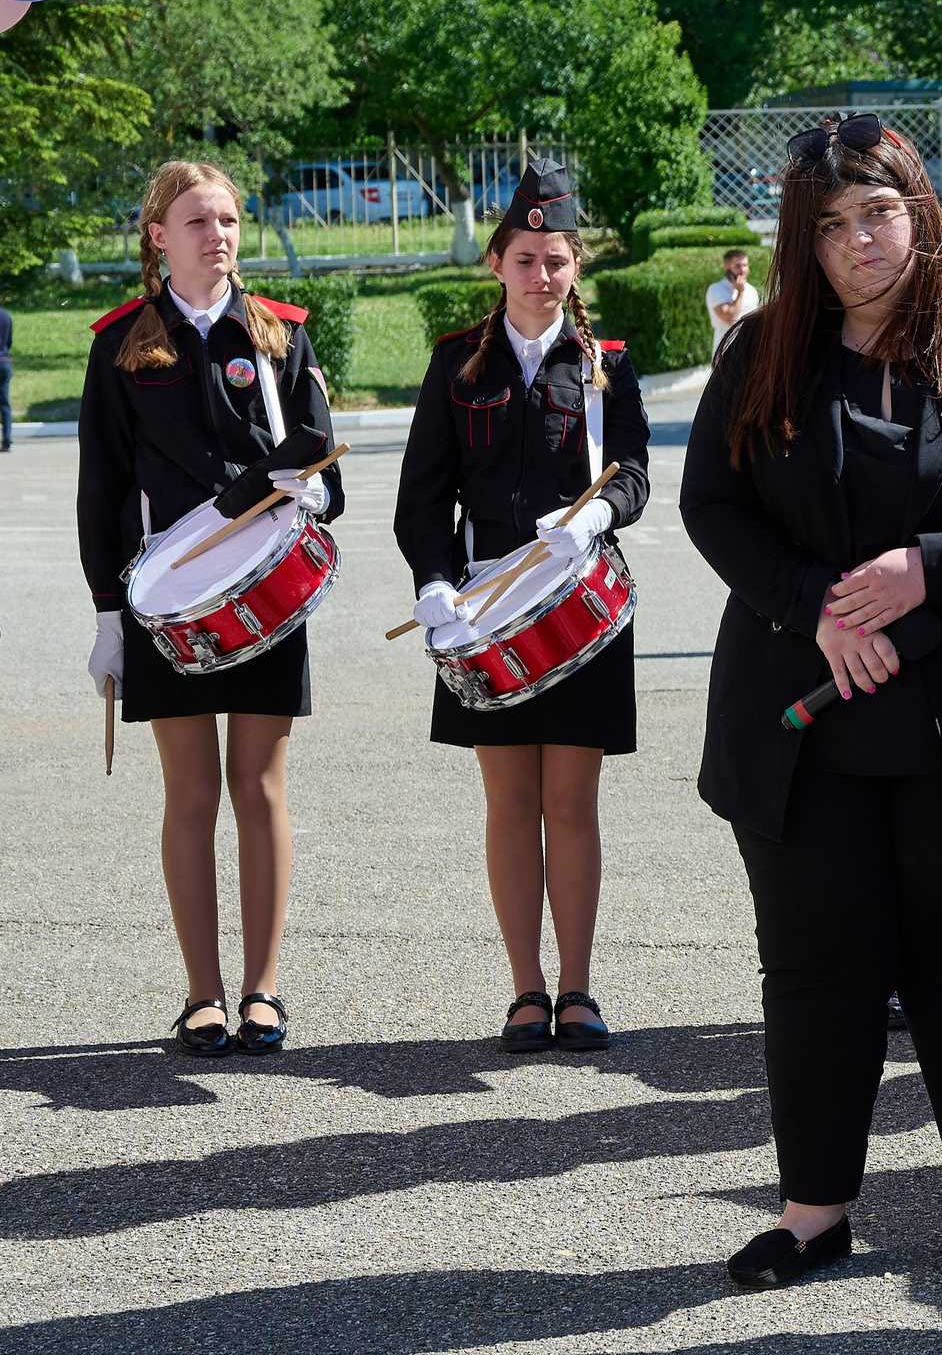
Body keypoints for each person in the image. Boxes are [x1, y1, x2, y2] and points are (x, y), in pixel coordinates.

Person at [680, 114, 942, 1292]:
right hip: (807, 715)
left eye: (878, 212)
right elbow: (713, 506)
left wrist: (930, 567)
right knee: (816, 967)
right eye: (830, 224)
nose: (860, 241)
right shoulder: (759, 352)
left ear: (919, 210)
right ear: (800, 243)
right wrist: (818, 603)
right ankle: (812, 1212)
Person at [77, 159, 344, 1057]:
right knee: (190, 792)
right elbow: (101, 488)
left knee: (258, 787)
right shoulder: (121, 342)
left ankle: (262, 990)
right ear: (157, 234)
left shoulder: (279, 334)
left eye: (228, 219)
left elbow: (326, 472)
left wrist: (309, 494)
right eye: (196, 221)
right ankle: (201, 993)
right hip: (169, 607)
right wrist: (110, 612)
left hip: (264, 592)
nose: (217, 235)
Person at [394, 160, 652, 1052]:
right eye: (527, 258)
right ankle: (526, 990)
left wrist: (599, 520)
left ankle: (578, 988)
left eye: (557, 259)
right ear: (497, 263)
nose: (543, 275)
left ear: (575, 266)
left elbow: (637, 476)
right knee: (510, 803)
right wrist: (434, 581)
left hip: (582, 607)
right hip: (485, 608)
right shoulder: (456, 362)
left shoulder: (605, 364)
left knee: (573, 801)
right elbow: (421, 499)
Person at [706, 248, 759, 357]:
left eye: (745, 265)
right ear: (726, 268)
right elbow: (730, 318)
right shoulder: (716, 289)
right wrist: (740, 292)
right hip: (726, 352)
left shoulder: (752, 291)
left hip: (750, 351)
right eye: (737, 266)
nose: (742, 270)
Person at [1, 299, 14, 452]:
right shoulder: (6, 315)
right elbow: (8, 340)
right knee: (4, 403)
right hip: (4, 361)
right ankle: (7, 439)